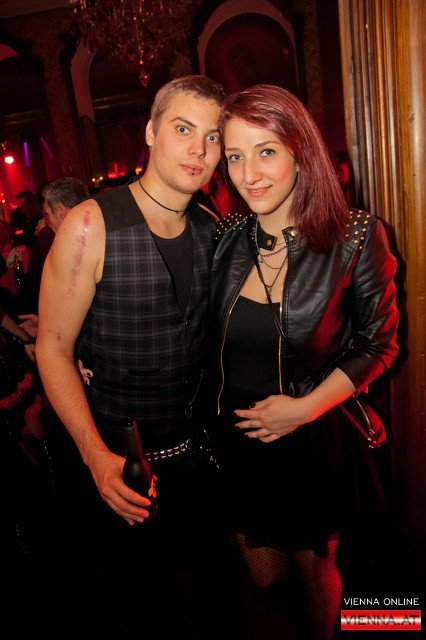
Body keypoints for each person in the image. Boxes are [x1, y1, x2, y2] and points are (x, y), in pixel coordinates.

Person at [35, 75, 234, 638]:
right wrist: (94, 455)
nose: (199, 149)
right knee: (145, 610)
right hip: (121, 467)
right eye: (183, 129)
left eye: (213, 137)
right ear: (150, 132)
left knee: (213, 604)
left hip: (198, 461)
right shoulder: (89, 224)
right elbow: (52, 348)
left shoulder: (210, 227)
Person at [209, 85, 399, 639]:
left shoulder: (354, 236)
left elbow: (379, 344)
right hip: (240, 442)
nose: (249, 175)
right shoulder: (226, 237)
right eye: (235, 156)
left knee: (316, 569)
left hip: (311, 439)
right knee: (265, 576)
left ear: (300, 151)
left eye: (265, 151)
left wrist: (304, 408)